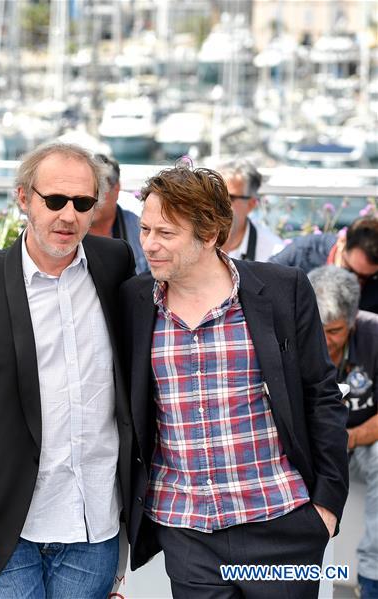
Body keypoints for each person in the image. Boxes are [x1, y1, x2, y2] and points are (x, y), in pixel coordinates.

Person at [119, 163, 348, 598]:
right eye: (145, 229)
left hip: (282, 521)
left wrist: (326, 506)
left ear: (209, 235)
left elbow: (321, 395)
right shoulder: (133, 299)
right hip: (187, 531)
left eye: (165, 233)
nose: (148, 243)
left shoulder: (282, 289)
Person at [0, 143, 136, 598]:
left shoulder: (114, 262)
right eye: (54, 200)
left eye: (82, 203)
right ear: (23, 197)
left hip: (94, 522)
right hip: (4, 526)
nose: (68, 216)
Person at [308, 265, 378, 598]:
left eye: (334, 331)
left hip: (359, 441)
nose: (324, 340)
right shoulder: (290, 332)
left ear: (352, 321)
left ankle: (372, 577)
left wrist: (348, 438)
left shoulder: (374, 334)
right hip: (308, 445)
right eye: (318, 329)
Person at [271, 216, 378, 314]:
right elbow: (264, 286)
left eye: (365, 277)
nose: (355, 281)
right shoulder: (301, 254)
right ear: (342, 241)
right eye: (349, 270)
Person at [89, 153, 148, 274]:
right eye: (86, 189)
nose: (91, 197)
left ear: (116, 188)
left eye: (99, 189)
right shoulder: (69, 229)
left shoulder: (140, 229)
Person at [216, 158, 284, 262]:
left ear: (251, 204)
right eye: (214, 195)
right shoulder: (194, 241)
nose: (218, 203)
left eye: (229, 198)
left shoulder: (273, 251)